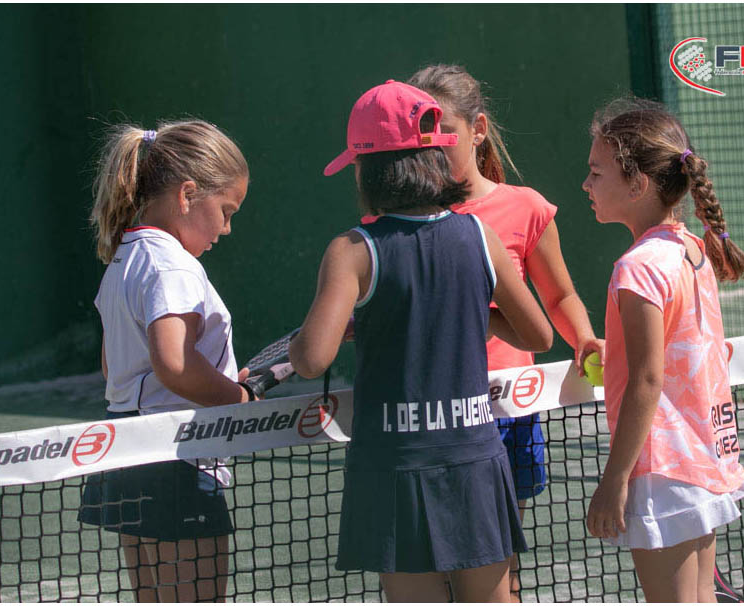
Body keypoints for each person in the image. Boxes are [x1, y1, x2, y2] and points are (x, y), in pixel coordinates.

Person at [289, 80, 554, 602]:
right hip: (474, 460)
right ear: (435, 158)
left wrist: (303, 341)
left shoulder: (351, 251)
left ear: (367, 170)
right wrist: (469, 310)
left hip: (394, 466)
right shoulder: (481, 237)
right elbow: (538, 335)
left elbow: (311, 359)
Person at [408, 64, 604, 601]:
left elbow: (559, 297)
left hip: (508, 412)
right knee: (435, 572)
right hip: (430, 415)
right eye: (421, 132)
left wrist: (584, 338)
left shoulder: (525, 207)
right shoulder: (404, 218)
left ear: (478, 129)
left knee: (497, 568)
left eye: (445, 129)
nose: (433, 144)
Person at [581, 98, 744, 602]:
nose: (586, 184)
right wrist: (614, 347)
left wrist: (615, 480)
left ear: (637, 185)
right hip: (702, 460)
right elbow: (676, 347)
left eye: (597, 172)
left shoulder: (637, 268)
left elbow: (648, 379)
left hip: (663, 471)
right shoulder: (692, 250)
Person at [79, 120, 255, 602]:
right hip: (175, 459)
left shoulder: (124, 258)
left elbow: (115, 368)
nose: (226, 228)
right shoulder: (173, 264)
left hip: (128, 453)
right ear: (187, 194)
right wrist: (238, 397)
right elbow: (175, 365)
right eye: (225, 211)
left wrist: (218, 379)